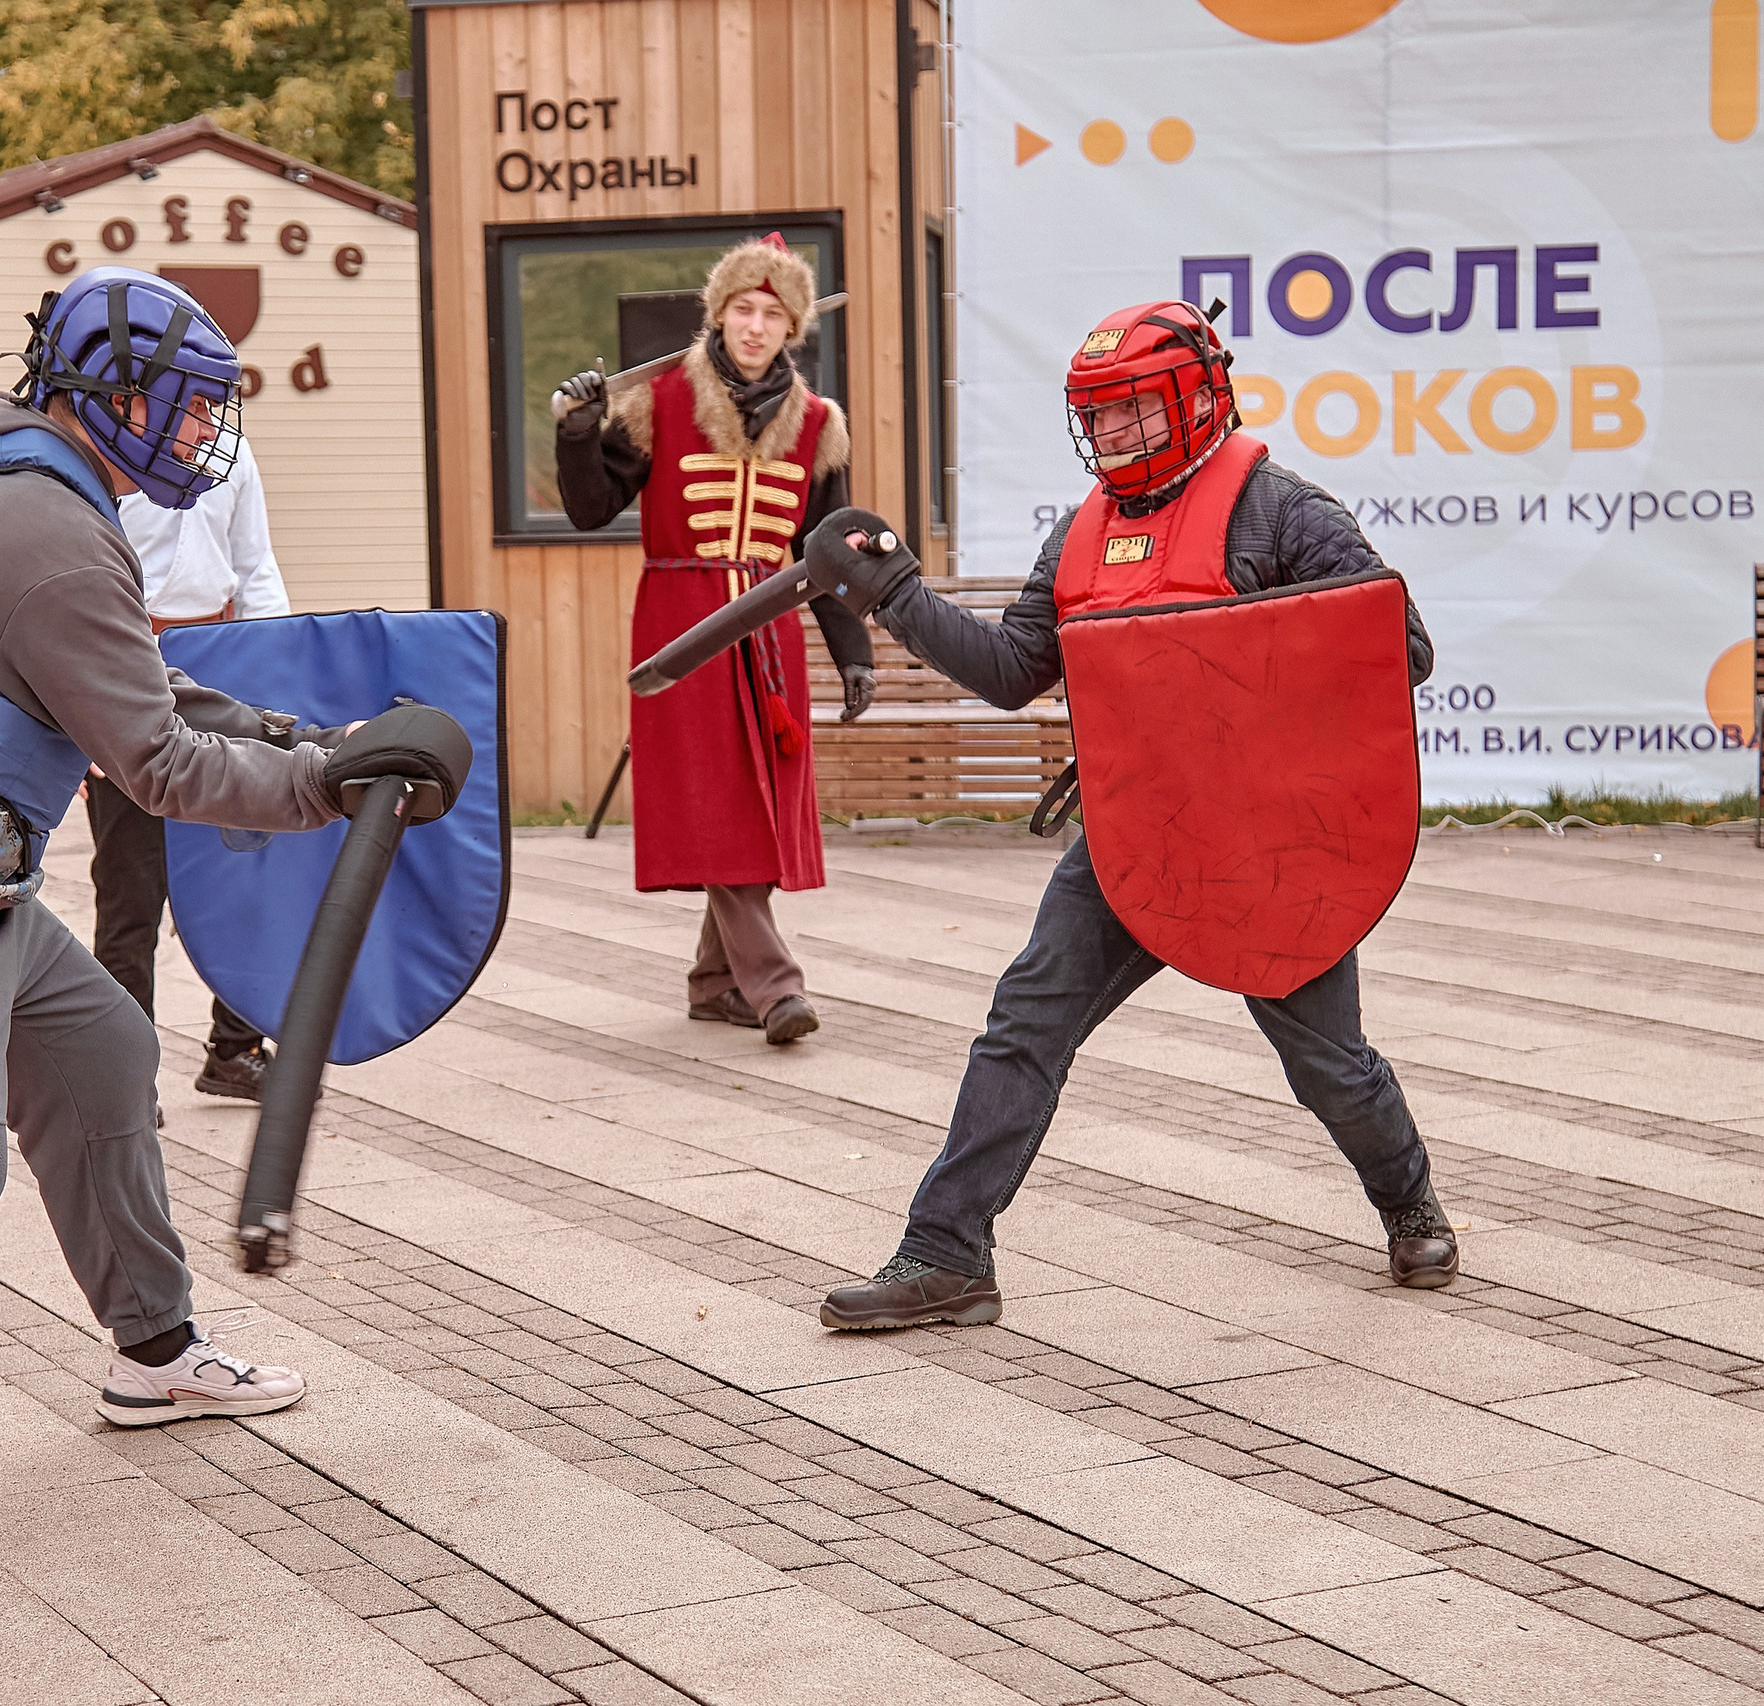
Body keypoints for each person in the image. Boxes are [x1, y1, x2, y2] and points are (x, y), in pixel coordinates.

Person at [0, 267, 470, 1563]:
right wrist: (325, 786)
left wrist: (311, 736)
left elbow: (154, 688)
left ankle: (155, 1351)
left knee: (104, 1053)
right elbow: (160, 766)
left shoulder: (44, 498)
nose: (203, 437)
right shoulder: (50, 531)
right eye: (186, 412)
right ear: (111, 398)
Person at [807, 299, 1458, 1331]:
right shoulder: (1079, 536)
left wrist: (1222, 656)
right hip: (1132, 832)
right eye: (1095, 416)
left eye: (1131, 411)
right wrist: (892, 594)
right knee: (1023, 1024)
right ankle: (945, 1252)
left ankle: (1405, 1197)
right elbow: (1016, 670)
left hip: (1269, 843)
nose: (1110, 434)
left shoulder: (1285, 512)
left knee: (1327, 1063)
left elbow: (1398, 648)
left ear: (1198, 398)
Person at [551, 234, 875, 1046]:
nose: (756, 326)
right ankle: (774, 986)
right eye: (742, 309)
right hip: (684, 627)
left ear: (792, 326)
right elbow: (590, 510)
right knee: (717, 805)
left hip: (768, 632)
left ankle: (714, 980)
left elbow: (828, 551)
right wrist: (577, 435)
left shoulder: (821, 426)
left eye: (772, 313)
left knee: (754, 811)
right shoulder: (655, 402)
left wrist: (854, 653)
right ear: (718, 313)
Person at [90, 439, 292, 1101]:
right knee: (131, 895)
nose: (206, 410)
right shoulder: (105, 452)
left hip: (224, 663)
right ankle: (124, 1079)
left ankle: (236, 1050)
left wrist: (275, 680)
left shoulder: (233, 454)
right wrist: (84, 711)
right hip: (126, 666)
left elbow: (255, 566)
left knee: (246, 877)